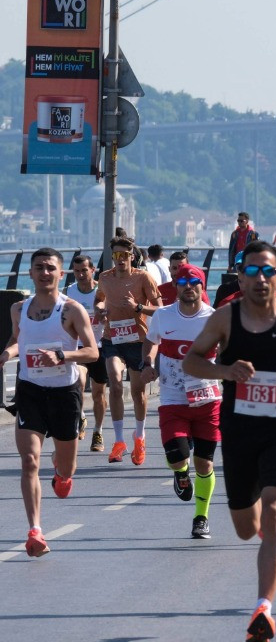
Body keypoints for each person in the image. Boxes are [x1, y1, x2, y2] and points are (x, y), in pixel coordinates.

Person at [182, 240, 276, 642]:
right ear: (241, 279)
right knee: (247, 528)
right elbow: (191, 360)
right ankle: (264, 532)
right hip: (240, 431)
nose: (260, 279)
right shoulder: (225, 318)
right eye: (251, 272)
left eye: (267, 272)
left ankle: (264, 607)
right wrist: (225, 370)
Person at [0, 248, 98, 557]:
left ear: (60, 274)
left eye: (50, 268)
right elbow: (17, 340)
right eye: (39, 267)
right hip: (30, 390)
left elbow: (93, 352)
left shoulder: (70, 311)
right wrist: (6, 354)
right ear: (30, 273)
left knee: (67, 468)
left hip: (64, 393)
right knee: (29, 460)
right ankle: (35, 531)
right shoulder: (19, 309)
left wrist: (63, 355)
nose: (44, 272)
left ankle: (62, 471)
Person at [139, 264, 220, 539]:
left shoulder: (215, 318)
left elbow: (228, 350)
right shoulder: (163, 315)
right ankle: (180, 474)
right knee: (176, 455)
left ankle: (201, 517)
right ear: (175, 285)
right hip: (173, 396)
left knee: (205, 464)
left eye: (193, 281)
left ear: (202, 286)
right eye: (182, 281)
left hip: (207, 398)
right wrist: (149, 361)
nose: (188, 286)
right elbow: (151, 342)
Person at [95, 236, 162, 465]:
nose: (120, 259)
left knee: (137, 393)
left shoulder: (143, 277)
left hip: (137, 340)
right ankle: (119, 440)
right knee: (114, 382)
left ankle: (140, 437)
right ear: (112, 257)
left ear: (132, 256)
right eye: (116, 255)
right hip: (112, 337)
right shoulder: (104, 278)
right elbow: (99, 300)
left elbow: (159, 309)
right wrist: (101, 310)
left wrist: (139, 307)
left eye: (124, 255)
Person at [65, 254, 107, 447]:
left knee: (99, 394)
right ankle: (81, 416)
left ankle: (98, 432)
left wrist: (105, 317)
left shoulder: (102, 291)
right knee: (79, 382)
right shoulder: (70, 292)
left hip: (99, 347)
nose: (81, 274)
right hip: (79, 347)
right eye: (77, 271)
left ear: (92, 270)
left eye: (84, 270)